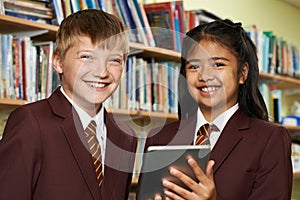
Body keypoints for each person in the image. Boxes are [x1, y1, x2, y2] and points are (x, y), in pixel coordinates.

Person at [138, 19, 292, 199]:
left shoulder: (270, 139)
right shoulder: (159, 138)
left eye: (218, 64)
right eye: (194, 66)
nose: (204, 76)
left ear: (242, 73)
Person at [0, 9, 137, 200]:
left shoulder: (125, 137)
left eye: (114, 60)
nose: (101, 72)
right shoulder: (31, 123)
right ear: (58, 61)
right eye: (87, 57)